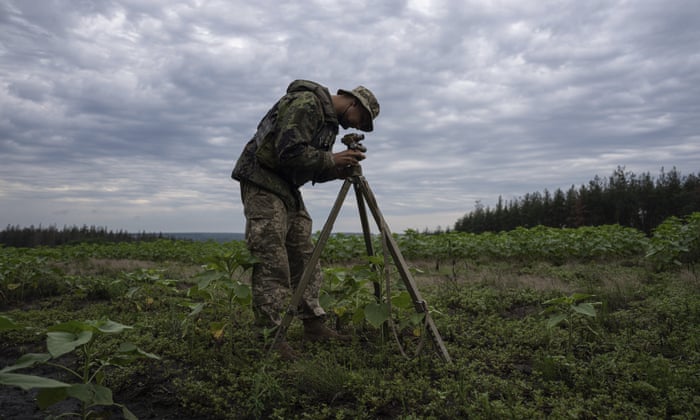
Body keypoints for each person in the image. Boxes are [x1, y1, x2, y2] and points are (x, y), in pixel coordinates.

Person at [231, 80, 379, 358]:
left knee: (305, 256)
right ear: (354, 103)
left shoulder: (327, 123)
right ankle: (271, 340)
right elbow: (289, 152)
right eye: (362, 120)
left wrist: (338, 169)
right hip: (263, 181)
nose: (357, 127)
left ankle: (314, 327)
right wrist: (333, 159)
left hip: (287, 187)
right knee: (272, 259)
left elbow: (311, 166)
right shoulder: (306, 103)